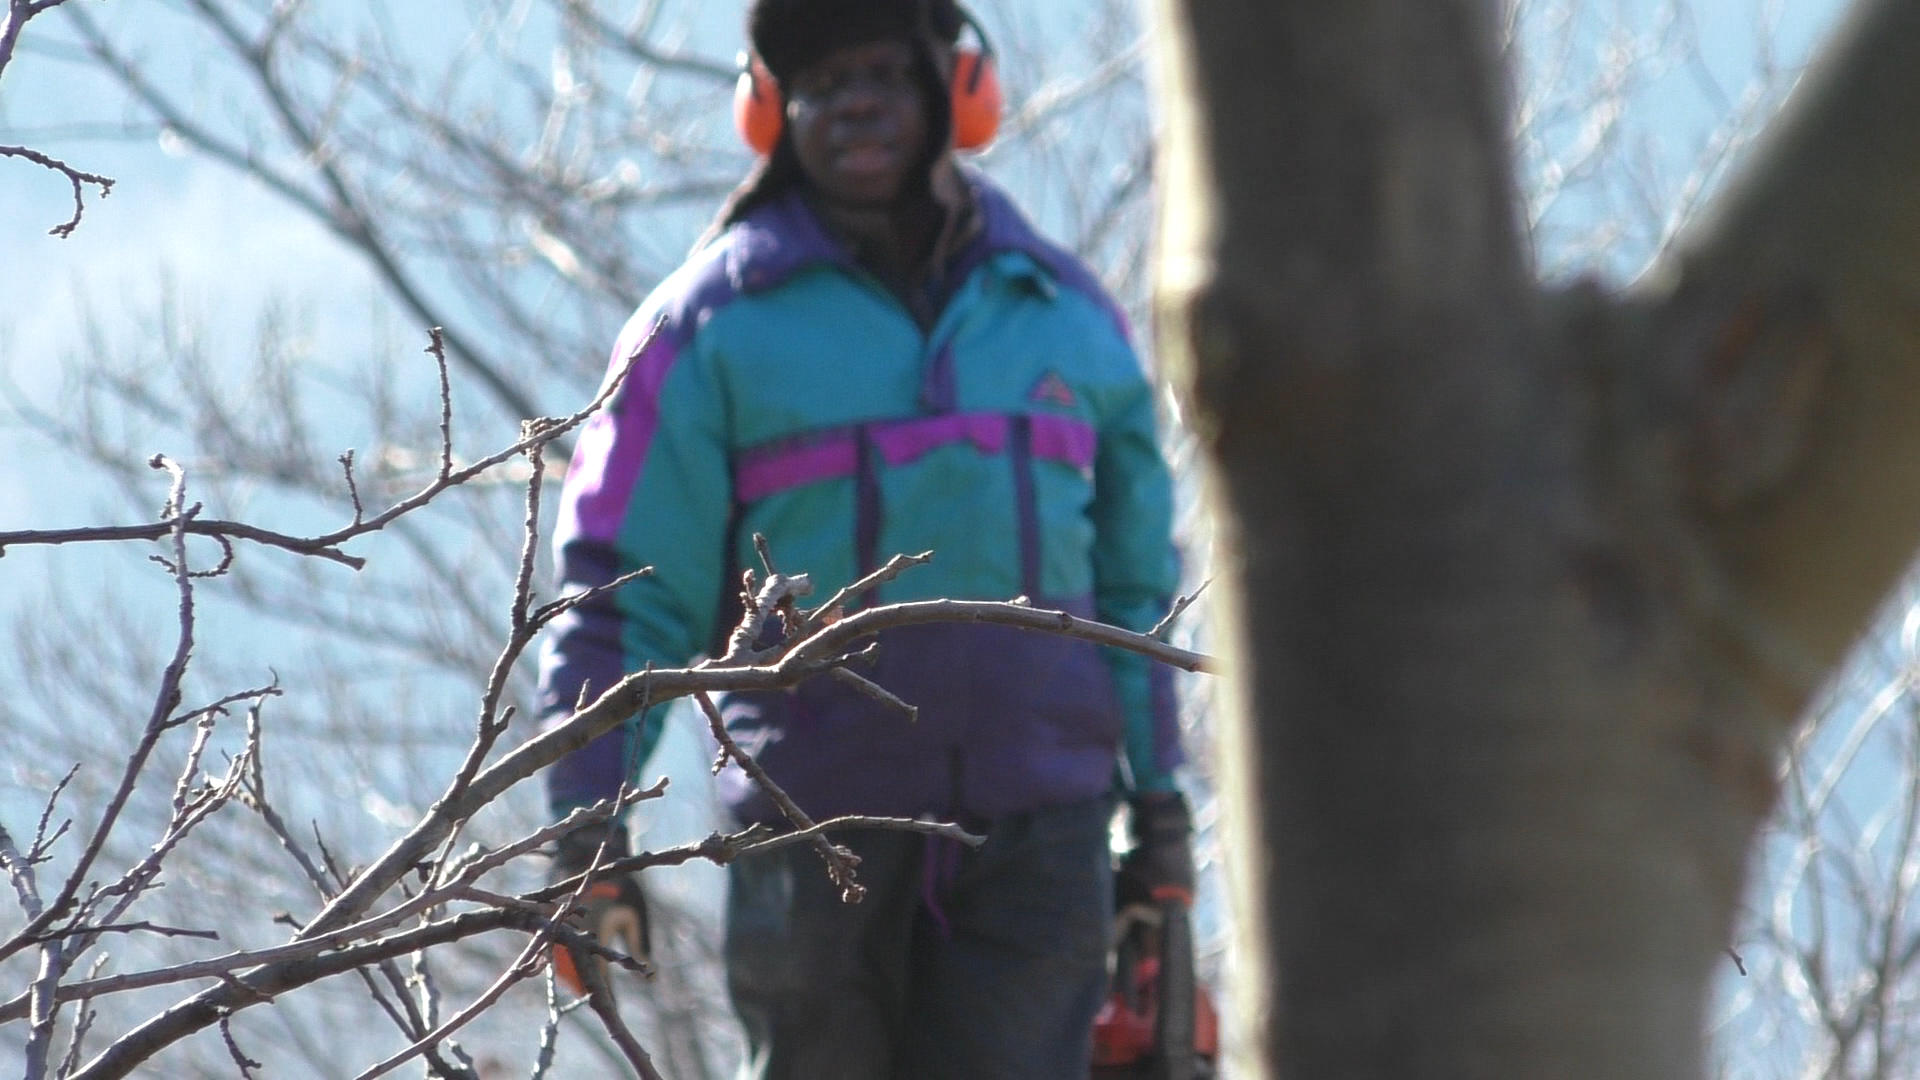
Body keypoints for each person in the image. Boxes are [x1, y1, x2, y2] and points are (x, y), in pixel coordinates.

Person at [535, 1, 1193, 1075]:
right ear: (770, 111)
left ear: (955, 89)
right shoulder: (707, 329)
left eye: (883, 71)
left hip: (1042, 841)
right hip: (808, 843)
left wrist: (1156, 808)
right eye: (821, 83)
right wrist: (584, 824)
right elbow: (623, 589)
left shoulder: (1061, 313)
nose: (856, 104)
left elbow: (1136, 594)